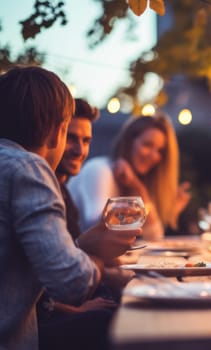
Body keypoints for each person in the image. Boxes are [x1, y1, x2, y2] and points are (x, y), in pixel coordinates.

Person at [0, 65, 137, 350]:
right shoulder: (28, 169)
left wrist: (80, 245)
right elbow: (72, 283)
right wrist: (96, 250)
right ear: (57, 131)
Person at [38, 98, 130, 350]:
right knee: (114, 320)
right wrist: (76, 310)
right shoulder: (38, 193)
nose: (80, 150)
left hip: (70, 302)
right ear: (54, 135)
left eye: (86, 141)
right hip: (41, 322)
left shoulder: (64, 192)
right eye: (71, 138)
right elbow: (33, 281)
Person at [68, 114, 191, 241]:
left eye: (159, 151)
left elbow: (155, 237)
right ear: (129, 142)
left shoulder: (135, 181)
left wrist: (138, 188)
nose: (153, 156)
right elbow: (94, 229)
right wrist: (138, 192)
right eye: (147, 145)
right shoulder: (99, 169)